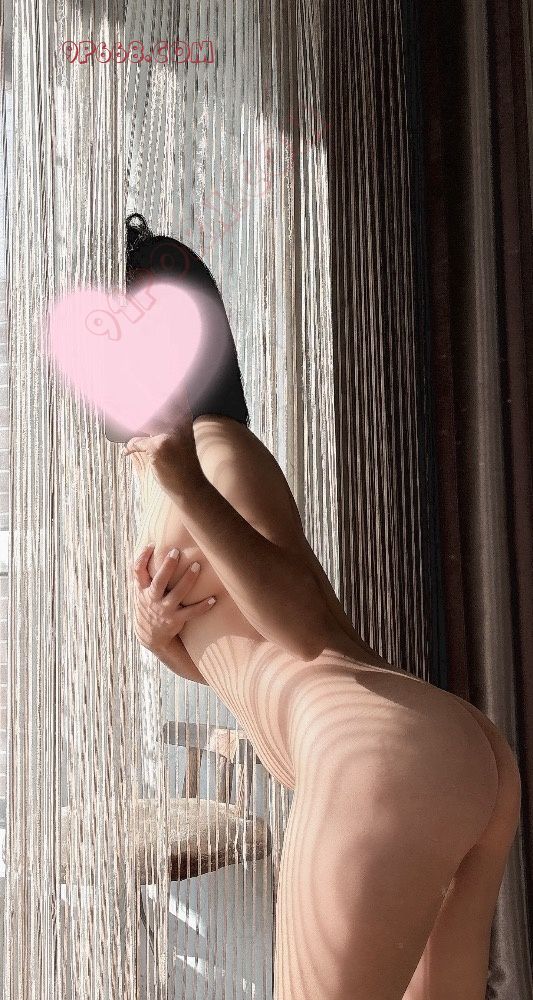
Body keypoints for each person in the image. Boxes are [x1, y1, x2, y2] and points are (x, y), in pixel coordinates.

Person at [120, 214, 521, 1000]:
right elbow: (247, 650)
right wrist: (159, 637)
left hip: (373, 753)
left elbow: (303, 626)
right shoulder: (163, 474)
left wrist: (187, 483)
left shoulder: (216, 449)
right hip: (436, 751)